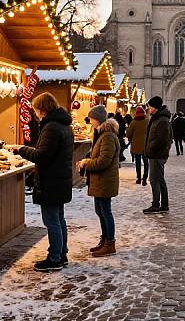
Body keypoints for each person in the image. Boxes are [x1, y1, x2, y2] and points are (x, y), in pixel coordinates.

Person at [16, 93, 73, 272]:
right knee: (59, 218)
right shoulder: (64, 125)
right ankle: (61, 253)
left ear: (42, 109)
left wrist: (22, 150)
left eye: (36, 110)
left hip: (51, 181)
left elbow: (42, 156)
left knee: (52, 221)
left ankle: (54, 258)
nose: (35, 114)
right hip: (60, 179)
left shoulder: (51, 127)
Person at [77, 105, 120, 257]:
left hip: (105, 180)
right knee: (100, 211)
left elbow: (103, 161)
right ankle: (104, 240)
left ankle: (110, 243)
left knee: (105, 212)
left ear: (98, 119)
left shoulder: (107, 136)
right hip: (100, 180)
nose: (90, 122)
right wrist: (88, 158)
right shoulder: (101, 134)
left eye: (92, 119)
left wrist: (86, 163)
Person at [143, 96, 173, 214]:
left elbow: (162, 139)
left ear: (155, 107)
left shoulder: (162, 120)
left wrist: (151, 148)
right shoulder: (158, 118)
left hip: (157, 154)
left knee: (154, 180)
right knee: (159, 179)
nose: (149, 108)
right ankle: (164, 204)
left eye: (150, 106)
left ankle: (156, 204)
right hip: (156, 153)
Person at [126, 106, 149, 185]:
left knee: (138, 163)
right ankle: (145, 178)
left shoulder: (134, 122)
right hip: (146, 145)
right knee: (146, 162)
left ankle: (139, 178)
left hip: (136, 146)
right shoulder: (147, 121)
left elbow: (128, 134)